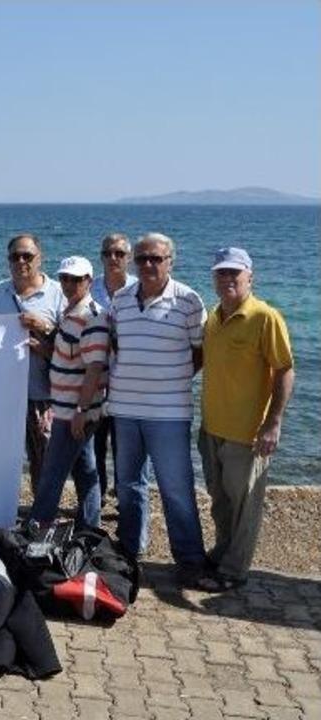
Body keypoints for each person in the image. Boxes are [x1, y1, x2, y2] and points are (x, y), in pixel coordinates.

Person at [107, 232, 207, 585]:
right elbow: (116, 344)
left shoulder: (189, 301)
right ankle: (130, 550)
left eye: (157, 259)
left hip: (169, 412)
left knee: (176, 487)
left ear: (170, 262)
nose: (148, 264)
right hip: (124, 408)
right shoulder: (119, 300)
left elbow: (201, 350)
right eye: (143, 258)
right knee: (129, 485)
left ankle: (191, 560)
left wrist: (173, 377)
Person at [197, 247, 294, 592]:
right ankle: (224, 552)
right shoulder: (213, 316)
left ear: (250, 276)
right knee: (221, 502)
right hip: (211, 428)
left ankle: (234, 571)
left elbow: (284, 369)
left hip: (247, 433)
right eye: (221, 273)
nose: (227, 279)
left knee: (244, 506)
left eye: (234, 273)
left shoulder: (265, 317)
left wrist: (274, 423)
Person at [28, 257, 109, 530]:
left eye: (77, 279)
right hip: (66, 406)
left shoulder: (92, 316)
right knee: (85, 471)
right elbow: (70, 357)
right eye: (64, 278)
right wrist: (42, 349)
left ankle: (37, 527)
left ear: (89, 280)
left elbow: (95, 369)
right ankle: (89, 527)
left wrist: (81, 412)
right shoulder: (70, 311)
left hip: (75, 411)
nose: (69, 284)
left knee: (53, 473)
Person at [0, 233, 63, 492]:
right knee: (1, 459)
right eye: (15, 256)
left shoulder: (58, 294)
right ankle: (2, 511)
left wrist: (45, 331)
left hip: (42, 395)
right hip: (4, 396)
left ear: (40, 258)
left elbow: (74, 346)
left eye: (27, 256)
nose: (21, 261)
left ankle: (40, 516)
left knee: (44, 459)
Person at [90, 233, 139, 501]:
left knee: (125, 449)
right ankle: (95, 501)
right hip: (94, 382)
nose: (113, 258)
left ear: (129, 258)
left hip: (127, 384)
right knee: (94, 446)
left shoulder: (139, 290)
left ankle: (124, 502)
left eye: (119, 253)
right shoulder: (89, 289)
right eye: (108, 253)